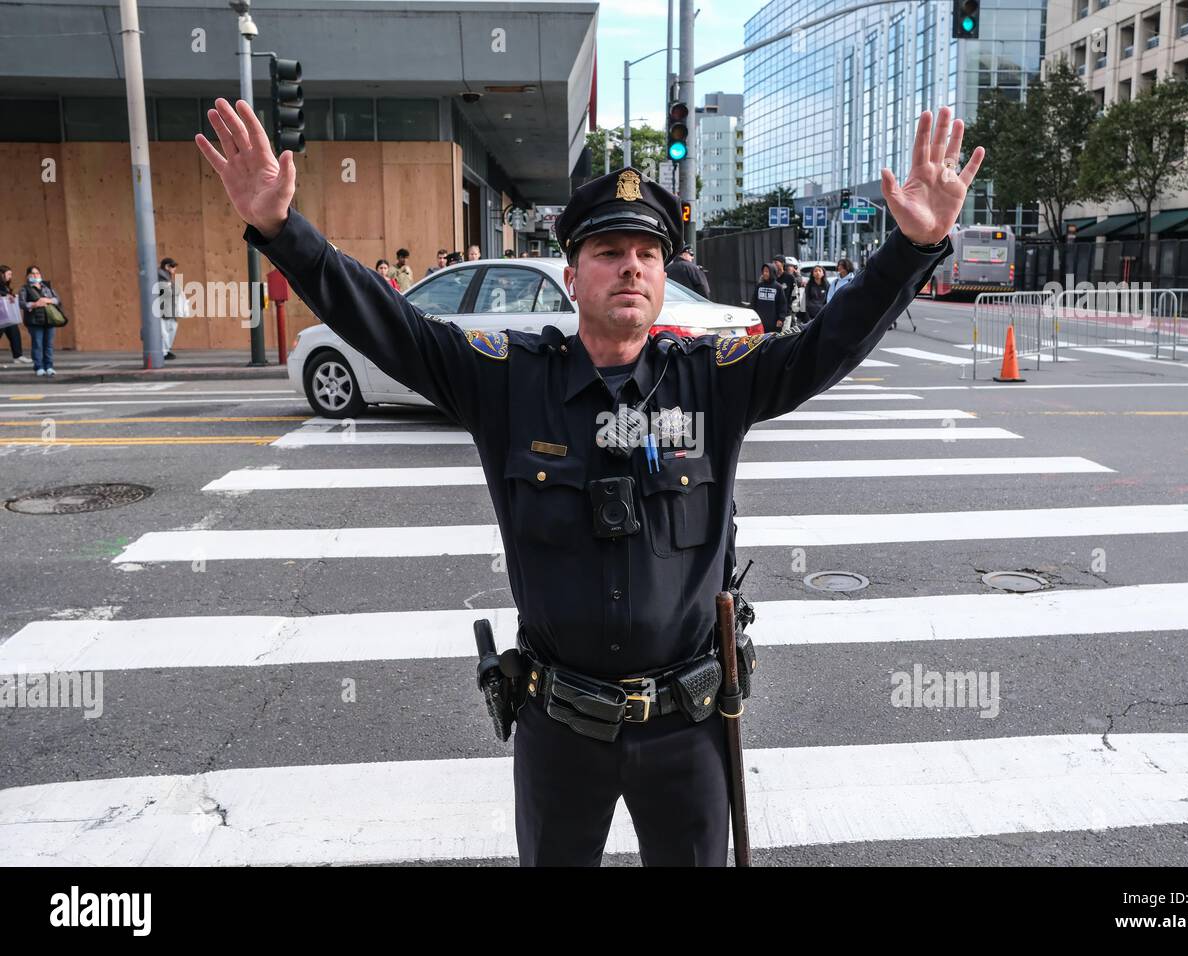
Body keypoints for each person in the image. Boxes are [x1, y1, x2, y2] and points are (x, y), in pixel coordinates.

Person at [196, 96, 975, 866]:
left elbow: (828, 345)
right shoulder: (507, 381)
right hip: (558, 728)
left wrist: (910, 248)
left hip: (688, 726)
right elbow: (390, 327)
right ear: (573, 277)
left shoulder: (715, 380)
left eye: (646, 254)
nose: (629, 267)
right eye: (608, 253)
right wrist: (280, 230)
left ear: (665, 278)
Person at [19, 265, 62, 377]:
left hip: (49, 320)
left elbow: (57, 299)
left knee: (48, 344)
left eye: (37, 273)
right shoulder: (25, 288)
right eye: (32, 274)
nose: (35, 275)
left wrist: (48, 300)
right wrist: (34, 304)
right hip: (34, 321)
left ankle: (49, 366)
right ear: (27, 276)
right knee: (37, 344)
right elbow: (21, 303)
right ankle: (39, 367)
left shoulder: (46, 287)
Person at [0, 265, 33, 366]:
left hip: (6, 315)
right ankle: (18, 356)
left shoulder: (5, 285)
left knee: (15, 333)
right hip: (1, 316)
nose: (10, 276)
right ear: (2, 274)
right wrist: (6, 295)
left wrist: (11, 296)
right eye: (9, 274)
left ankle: (18, 356)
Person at [155, 257, 187, 359]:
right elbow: (168, 291)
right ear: (167, 266)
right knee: (165, 331)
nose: (174, 269)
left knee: (170, 329)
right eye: (173, 267)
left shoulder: (165, 276)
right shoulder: (161, 276)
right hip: (164, 309)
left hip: (168, 309)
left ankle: (165, 351)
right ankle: (163, 352)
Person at [751, 263, 785, 333]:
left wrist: (781, 319)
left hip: (773, 322)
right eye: (763, 271)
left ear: (772, 272)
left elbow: (782, 304)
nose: (765, 273)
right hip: (759, 322)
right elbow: (753, 302)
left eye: (767, 271)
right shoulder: (759, 286)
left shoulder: (778, 287)